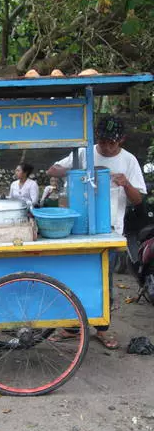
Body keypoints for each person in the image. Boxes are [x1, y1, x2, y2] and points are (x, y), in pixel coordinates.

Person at [46, 115, 147, 349]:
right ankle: (72, 327)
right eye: (102, 141)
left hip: (110, 231)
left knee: (104, 282)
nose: (107, 146)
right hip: (78, 230)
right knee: (74, 277)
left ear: (122, 139)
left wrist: (125, 184)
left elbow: (138, 199)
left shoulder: (128, 161)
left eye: (112, 142)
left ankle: (102, 329)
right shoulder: (84, 153)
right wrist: (76, 172)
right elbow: (52, 169)